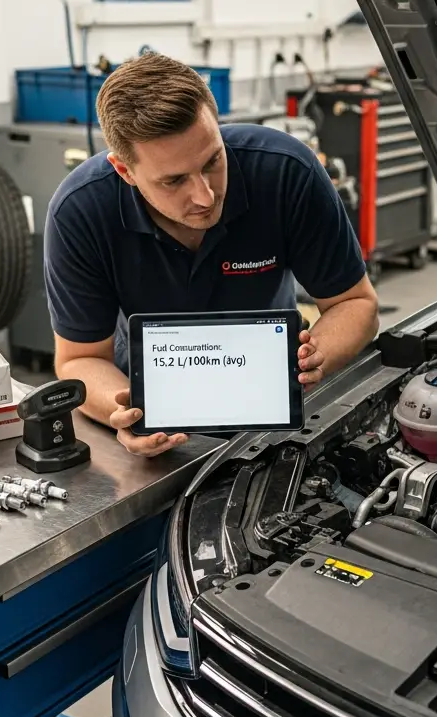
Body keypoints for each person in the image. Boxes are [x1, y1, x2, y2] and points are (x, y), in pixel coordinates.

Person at [43, 52, 380, 457]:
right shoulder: (80, 211)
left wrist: (314, 356)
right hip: (149, 401)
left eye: (213, 160)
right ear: (125, 171)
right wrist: (129, 410)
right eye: (174, 180)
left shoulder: (286, 173)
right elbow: (78, 360)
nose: (205, 196)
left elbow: (356, 303)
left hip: (272, 397)